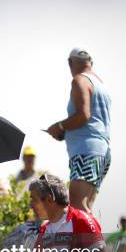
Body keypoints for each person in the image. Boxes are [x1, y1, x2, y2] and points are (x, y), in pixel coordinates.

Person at [47, 48, 111, 214]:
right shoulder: (100, 84)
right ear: (91, 63)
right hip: (102, 151)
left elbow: (83, 115)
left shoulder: (79, 80)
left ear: (70, 62)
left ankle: (95, 241)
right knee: (86, 209)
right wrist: (66, 131)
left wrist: (59, 127)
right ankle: (92, 241)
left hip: (86, 152)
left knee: (77, 208)